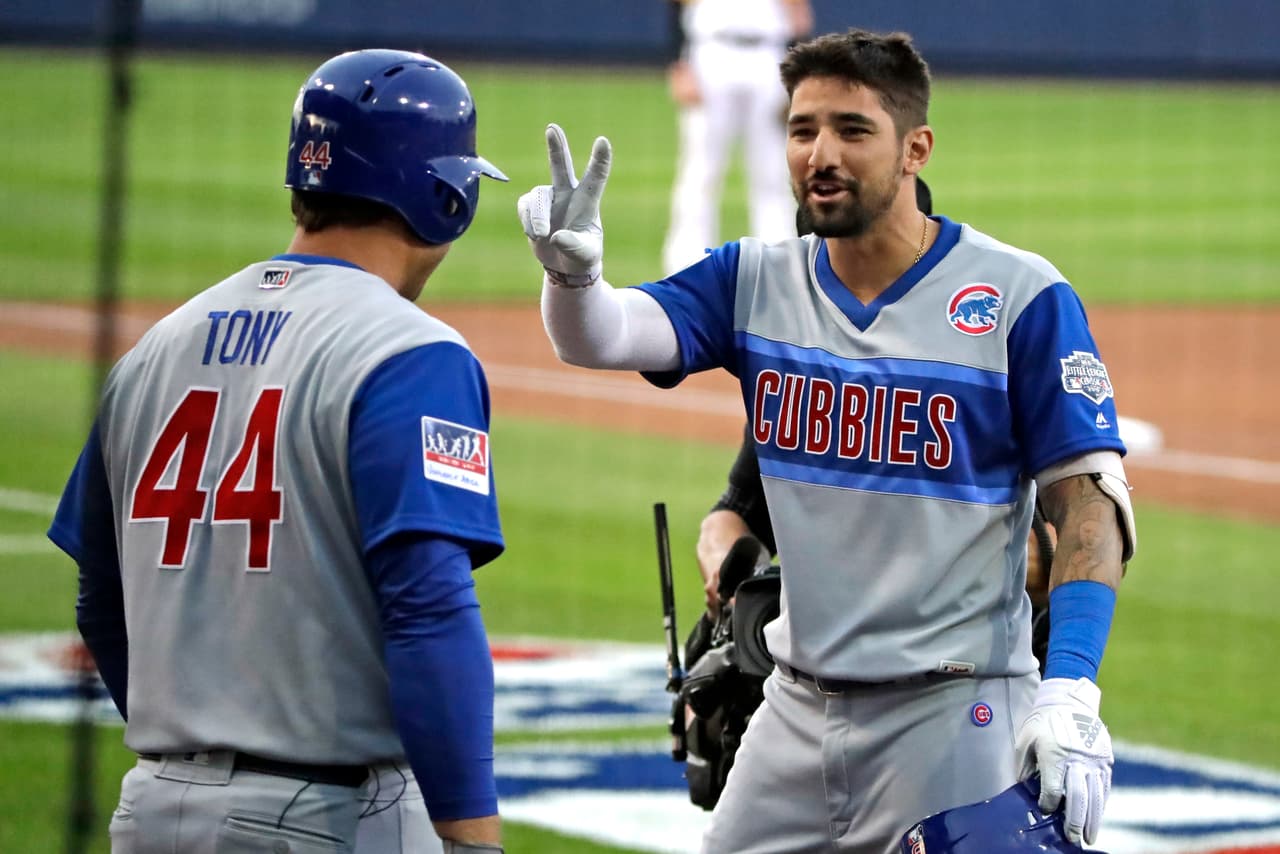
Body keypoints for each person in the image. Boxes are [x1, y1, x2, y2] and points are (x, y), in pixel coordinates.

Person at [517, 28, 1136, 854]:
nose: (820, 153)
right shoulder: (755, 279)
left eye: (852, 129)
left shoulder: (1020, 296)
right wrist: (573, 280)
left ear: (916, 148)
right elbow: (608, 337)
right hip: (795, 711)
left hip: (954, 712)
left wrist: (1071, 694)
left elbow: (1087, 504)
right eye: (802, 129)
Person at [48, 49, 508, 854]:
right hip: (324, 819)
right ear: (446, 196)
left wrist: (192, 753)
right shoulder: (411, 353)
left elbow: (98, 598)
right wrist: (472, 840)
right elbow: (429, 611)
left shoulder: (156, 348)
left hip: (151, 809)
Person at [662, 0, 814, 274]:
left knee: (773, 173)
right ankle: (686, 267)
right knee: (700, 171)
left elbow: (799, 11)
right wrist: (678, 65)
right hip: (710, 52)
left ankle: (779, 266)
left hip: (770, 54)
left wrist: (799, 75)